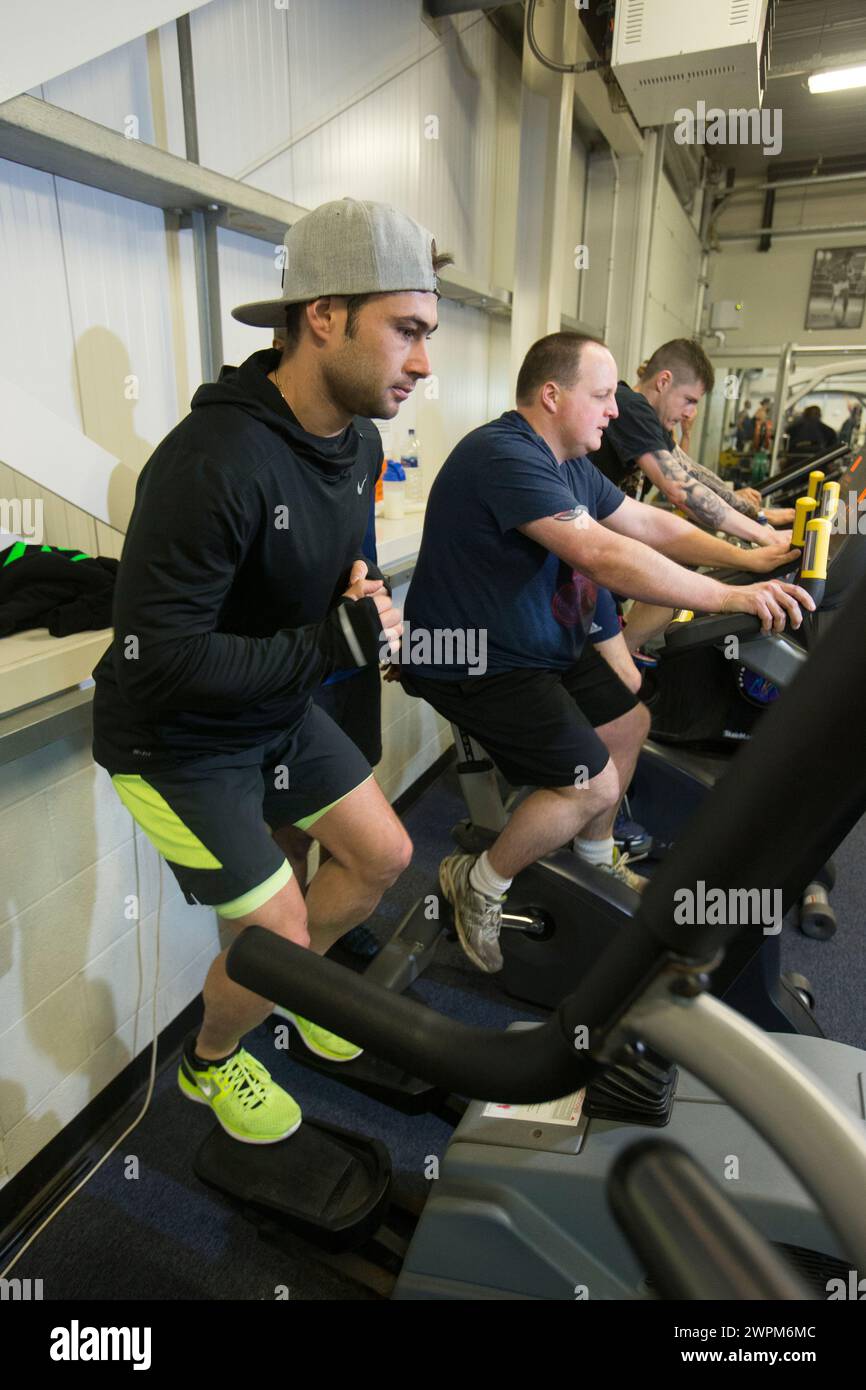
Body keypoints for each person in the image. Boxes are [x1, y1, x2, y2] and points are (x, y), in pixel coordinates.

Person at [91, 197, 450, 1144]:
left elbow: (343, 567)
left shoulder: (360, 439)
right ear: (323, 316)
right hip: (171, 742)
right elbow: (157, 658)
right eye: (407, 331)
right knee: (277, 931)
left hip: (273, 708)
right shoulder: (211, 462)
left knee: (383, 855)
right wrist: (332, 644)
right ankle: (211, 1065)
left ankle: (289, 993)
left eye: (428, 333)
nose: (424, 361)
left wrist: (365, 599)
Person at [398, 332, 811, 974]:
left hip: (533, 645)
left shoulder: (566, 461)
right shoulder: (504, 455)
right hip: (472, 660)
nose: (615, 411)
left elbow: (646, 525)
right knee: (591, 784)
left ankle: (595, 864)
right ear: (552, 394)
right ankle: (476, 881)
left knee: (631, 721)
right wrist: (728, 600)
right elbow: (604, 555)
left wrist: (747, 557)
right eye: (601, 396)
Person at [587, 344, 793, 654]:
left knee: (683, 557)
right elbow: (680, 489)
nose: (690, 414)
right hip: (584, 550)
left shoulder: (647, 420)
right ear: (664, 381)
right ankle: (619, 658)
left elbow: (692, 472)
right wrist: (763, 534)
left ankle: (624, 649)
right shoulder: (630, 406)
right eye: (689, 400)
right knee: (680, 562)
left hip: (605, 537)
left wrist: (757, 513)